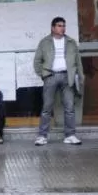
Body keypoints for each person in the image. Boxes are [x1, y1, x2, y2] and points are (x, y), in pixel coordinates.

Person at [33, 16, 84, 146]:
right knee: (47, 107)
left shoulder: (71, 42)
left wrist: (80, 76)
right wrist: (44, 75)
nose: (63, 28)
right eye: (60, 26)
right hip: (51, 76)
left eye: (64, 26)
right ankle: (42, 136)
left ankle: (70, 135)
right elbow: (37, 61)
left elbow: (78, 61)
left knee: (69, 107)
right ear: (53, 27)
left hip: (68, 76)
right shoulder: (45, 42)